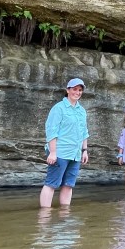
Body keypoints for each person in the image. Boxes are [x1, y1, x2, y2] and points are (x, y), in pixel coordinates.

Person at [41, 77, 89, 208]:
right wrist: (53, 152)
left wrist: (84, 150)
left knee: (68, 185)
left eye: (80, 90)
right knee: (51, 183)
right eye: (74, 89)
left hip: (75, 154)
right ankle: (44, 217)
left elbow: (84, 132)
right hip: (60, 152)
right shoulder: (59, 108)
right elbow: (51, 131)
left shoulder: (82, 110)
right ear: (68, 90)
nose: (77, 92)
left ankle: (64, 214)